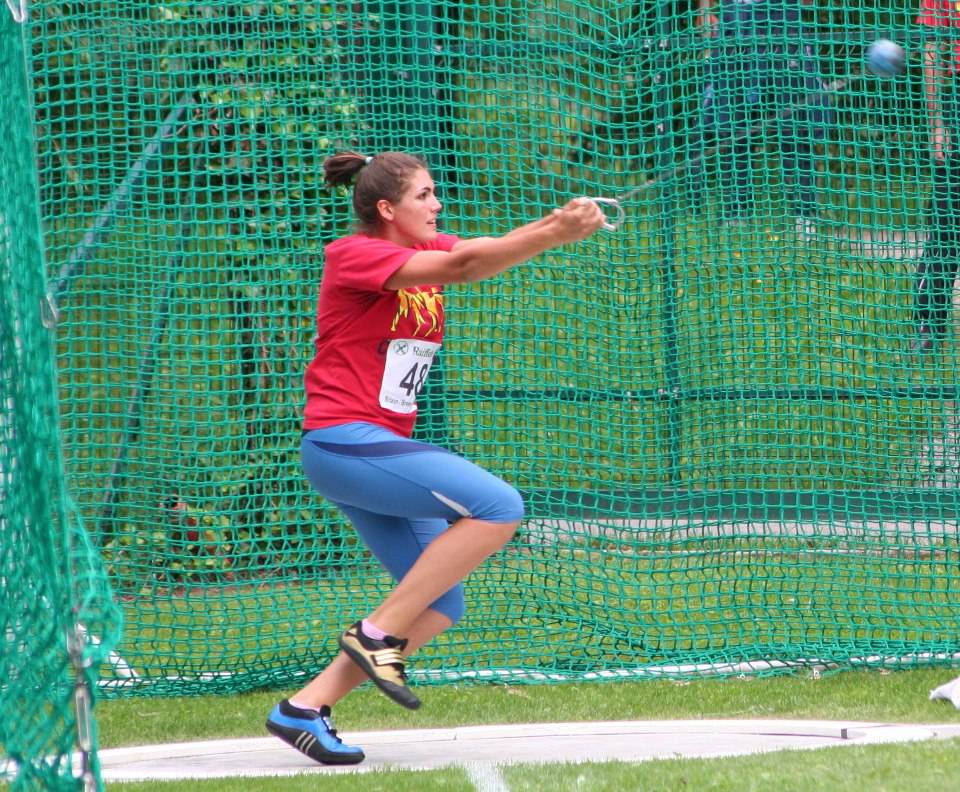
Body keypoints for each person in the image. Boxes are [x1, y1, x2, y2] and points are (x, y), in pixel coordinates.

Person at [264, 151, 606, 765]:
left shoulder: (424, 253)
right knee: (499, 506)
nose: (437, 204)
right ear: (387, 209)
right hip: (345, 441)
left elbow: (480, 248)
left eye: (435, 194)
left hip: (370, 448)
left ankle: (303, 709)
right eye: (424, 196)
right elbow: (468, 265)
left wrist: (552, 224)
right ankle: (374, 635)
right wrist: (555, 232)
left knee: (439, 603)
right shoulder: (354, 253)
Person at [694, 0, 833, 230]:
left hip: (783, 28)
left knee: (795, 127)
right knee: (733, 127)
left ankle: (805, 216)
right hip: (735, 26)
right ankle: (735, 216)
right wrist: (705, 9)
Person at [913, 0, 960, 353]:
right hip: (957, 95)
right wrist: (937, 123)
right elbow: (932, 48)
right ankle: (928, 324)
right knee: (946, 220)